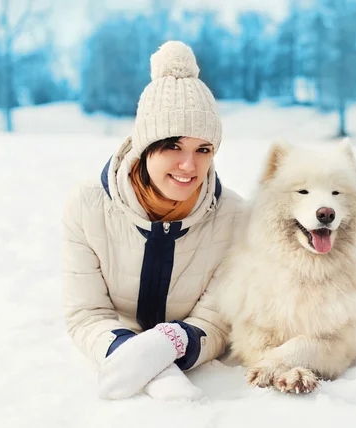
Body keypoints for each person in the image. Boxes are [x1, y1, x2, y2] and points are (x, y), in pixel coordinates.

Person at [61, 41, 243, 400]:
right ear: (145, 147)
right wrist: (132, 356)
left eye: (202, 150)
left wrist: (169, 344)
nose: (189, 166)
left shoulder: (235, 217)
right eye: (173, 146)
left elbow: (217, 320)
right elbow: (87, 312)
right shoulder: (87, 206)